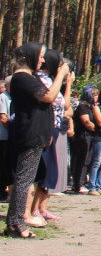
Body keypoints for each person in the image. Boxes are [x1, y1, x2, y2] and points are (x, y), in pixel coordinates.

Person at [6, 43, 69, 238]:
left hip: (37, 135)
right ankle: (16, 223)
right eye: (40, 56)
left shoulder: (29, 78)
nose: (42, 60)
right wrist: (61, 75)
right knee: (24, 179)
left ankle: (13, 222)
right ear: (31, 56)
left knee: (27, 178)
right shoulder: (21, 78)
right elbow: (49, 97)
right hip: (29, 135)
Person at [32, 49, 71, 222]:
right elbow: (50, 99)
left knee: (51, 171)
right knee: (43, 170)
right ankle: (33, 209)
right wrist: (61, 76)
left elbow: (65, 105)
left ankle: (42, 207)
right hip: (46, 128)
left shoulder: (52, 80)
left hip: (56, 128)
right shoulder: (40, 78)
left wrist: (67, 83)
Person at [70, 86, 97, 194]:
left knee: (86, 161)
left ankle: (80, 183)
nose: (95, 97)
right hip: (82, 138)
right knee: (81, 161)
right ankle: (78, 184)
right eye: (94, 94)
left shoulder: (91, 107)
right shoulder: (82, 107)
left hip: (89, 137)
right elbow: (86, 122)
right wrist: (98, 129)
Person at [0, 77, 11, 202]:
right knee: (2, 164)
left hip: (9, 137)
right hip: (3, 136)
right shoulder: (3, 97)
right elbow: (3, 118)